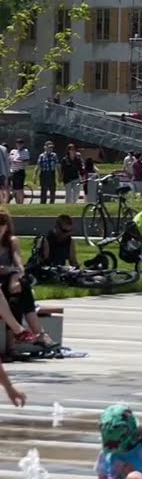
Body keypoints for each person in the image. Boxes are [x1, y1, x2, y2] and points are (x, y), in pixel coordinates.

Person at [0, 211, 52, 346]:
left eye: (2, 223)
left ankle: (24, 339)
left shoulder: (11, 242)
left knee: (20, 287)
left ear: (7, 225)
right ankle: (36, 334)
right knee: (16, 295)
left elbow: (19, 266)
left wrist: (13, 276)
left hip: (8, 281)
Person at [9, 137, 29, 204]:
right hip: (12, 172)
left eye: (20, 144)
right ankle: (17, 202)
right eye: (18, 143)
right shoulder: (13, 151)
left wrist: (17, 161)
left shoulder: (25, 151)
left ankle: (20, 203)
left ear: (23, 144)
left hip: (19, 171)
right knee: (14, 189)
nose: (19, 145)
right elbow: (9, 160)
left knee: (19, 189)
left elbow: (26, 162)